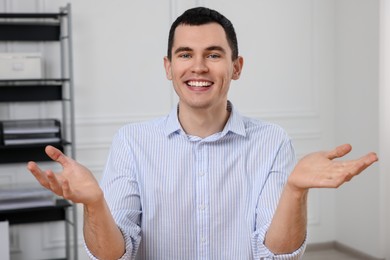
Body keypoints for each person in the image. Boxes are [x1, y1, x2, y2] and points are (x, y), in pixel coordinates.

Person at [27, 7, 378, 260]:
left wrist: (295, 190)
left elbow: (276, 256)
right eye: (185, 54)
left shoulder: (272, 141)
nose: (198, 67)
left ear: (236, 67)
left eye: (213, 54)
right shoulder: (132, 142)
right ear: (169, 67)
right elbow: (115, 256)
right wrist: (94, 204)